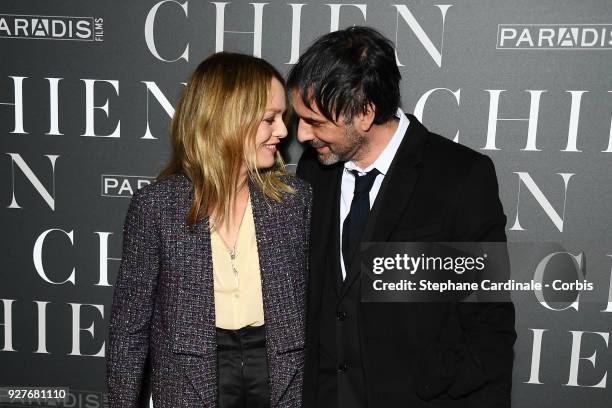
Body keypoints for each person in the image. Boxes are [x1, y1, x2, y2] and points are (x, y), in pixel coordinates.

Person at [288, 26, 516, 407]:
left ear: (363, 113)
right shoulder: (315, 172)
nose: (301, 134)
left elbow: (489, 325)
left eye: (315, 121)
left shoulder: (460, 176)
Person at [106, 52, 311, 408]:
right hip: (189, 385)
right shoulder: (157, 207)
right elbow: (129, 329)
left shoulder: (295, 202)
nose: (283, 131)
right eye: (269, 119)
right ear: (228, 119)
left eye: (283, 118)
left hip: (281, 380)